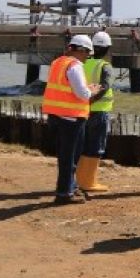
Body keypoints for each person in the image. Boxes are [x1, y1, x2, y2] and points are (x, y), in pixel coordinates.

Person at [42, 34, 104, 205]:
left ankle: (70, 187)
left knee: (65, 156)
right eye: (86, 54)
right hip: (71, 118)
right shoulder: (74, 66)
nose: (87, 57)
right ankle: (64, 193)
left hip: (55, 115)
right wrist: (92, 90)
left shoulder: (57, 63)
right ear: (80, 50)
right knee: (70, 157)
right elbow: (81, 93)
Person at [76, 31, 114, 194]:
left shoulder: (82, 63)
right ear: (107, 49)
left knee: (83, 146)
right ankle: (89, 182)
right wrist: (91, 100)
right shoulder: (105, 66)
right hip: (99, 112)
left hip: (83, 111)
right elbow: (105, 87)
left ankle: (79, 180)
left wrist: (85, 101)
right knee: (96, 147)